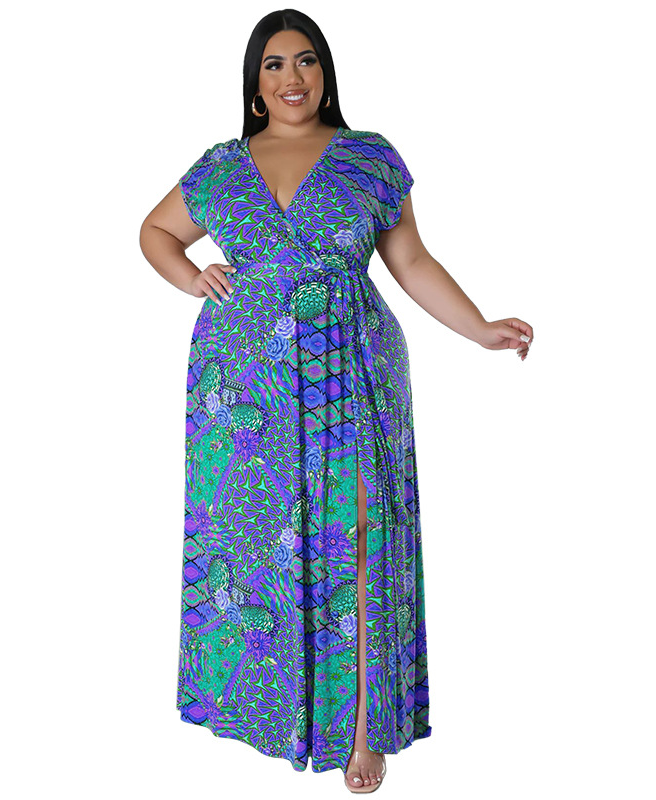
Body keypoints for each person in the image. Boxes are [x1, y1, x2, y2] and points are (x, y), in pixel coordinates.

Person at [140, 9, 533, 793]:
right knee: (261, 543)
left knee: (358, 532)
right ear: (255, 85)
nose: (293, 77)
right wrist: (191, 278)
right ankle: (277, 712)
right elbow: (155, 231)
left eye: (307, 61)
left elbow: (411, 261)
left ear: (325, 74)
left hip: (351, 364)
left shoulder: (368, 158)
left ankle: (361, 729)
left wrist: (481, 327)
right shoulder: (221, 166)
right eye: (275, 64)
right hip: (244, 382)